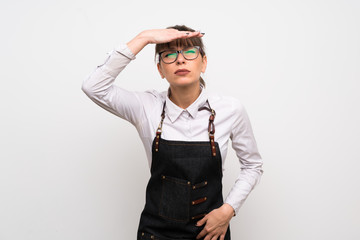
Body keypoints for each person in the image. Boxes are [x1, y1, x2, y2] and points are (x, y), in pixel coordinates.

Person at [82, 25, 263, 240]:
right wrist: (144, 37)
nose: (180, 60)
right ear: (160, 69)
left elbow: (253, 166)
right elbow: (94, 87)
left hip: (210, 233)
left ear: (203, 62)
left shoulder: (230, 110)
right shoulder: (146, 107)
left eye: (189, 52)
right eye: (169, 55)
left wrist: (228, 210)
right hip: (156, 233)